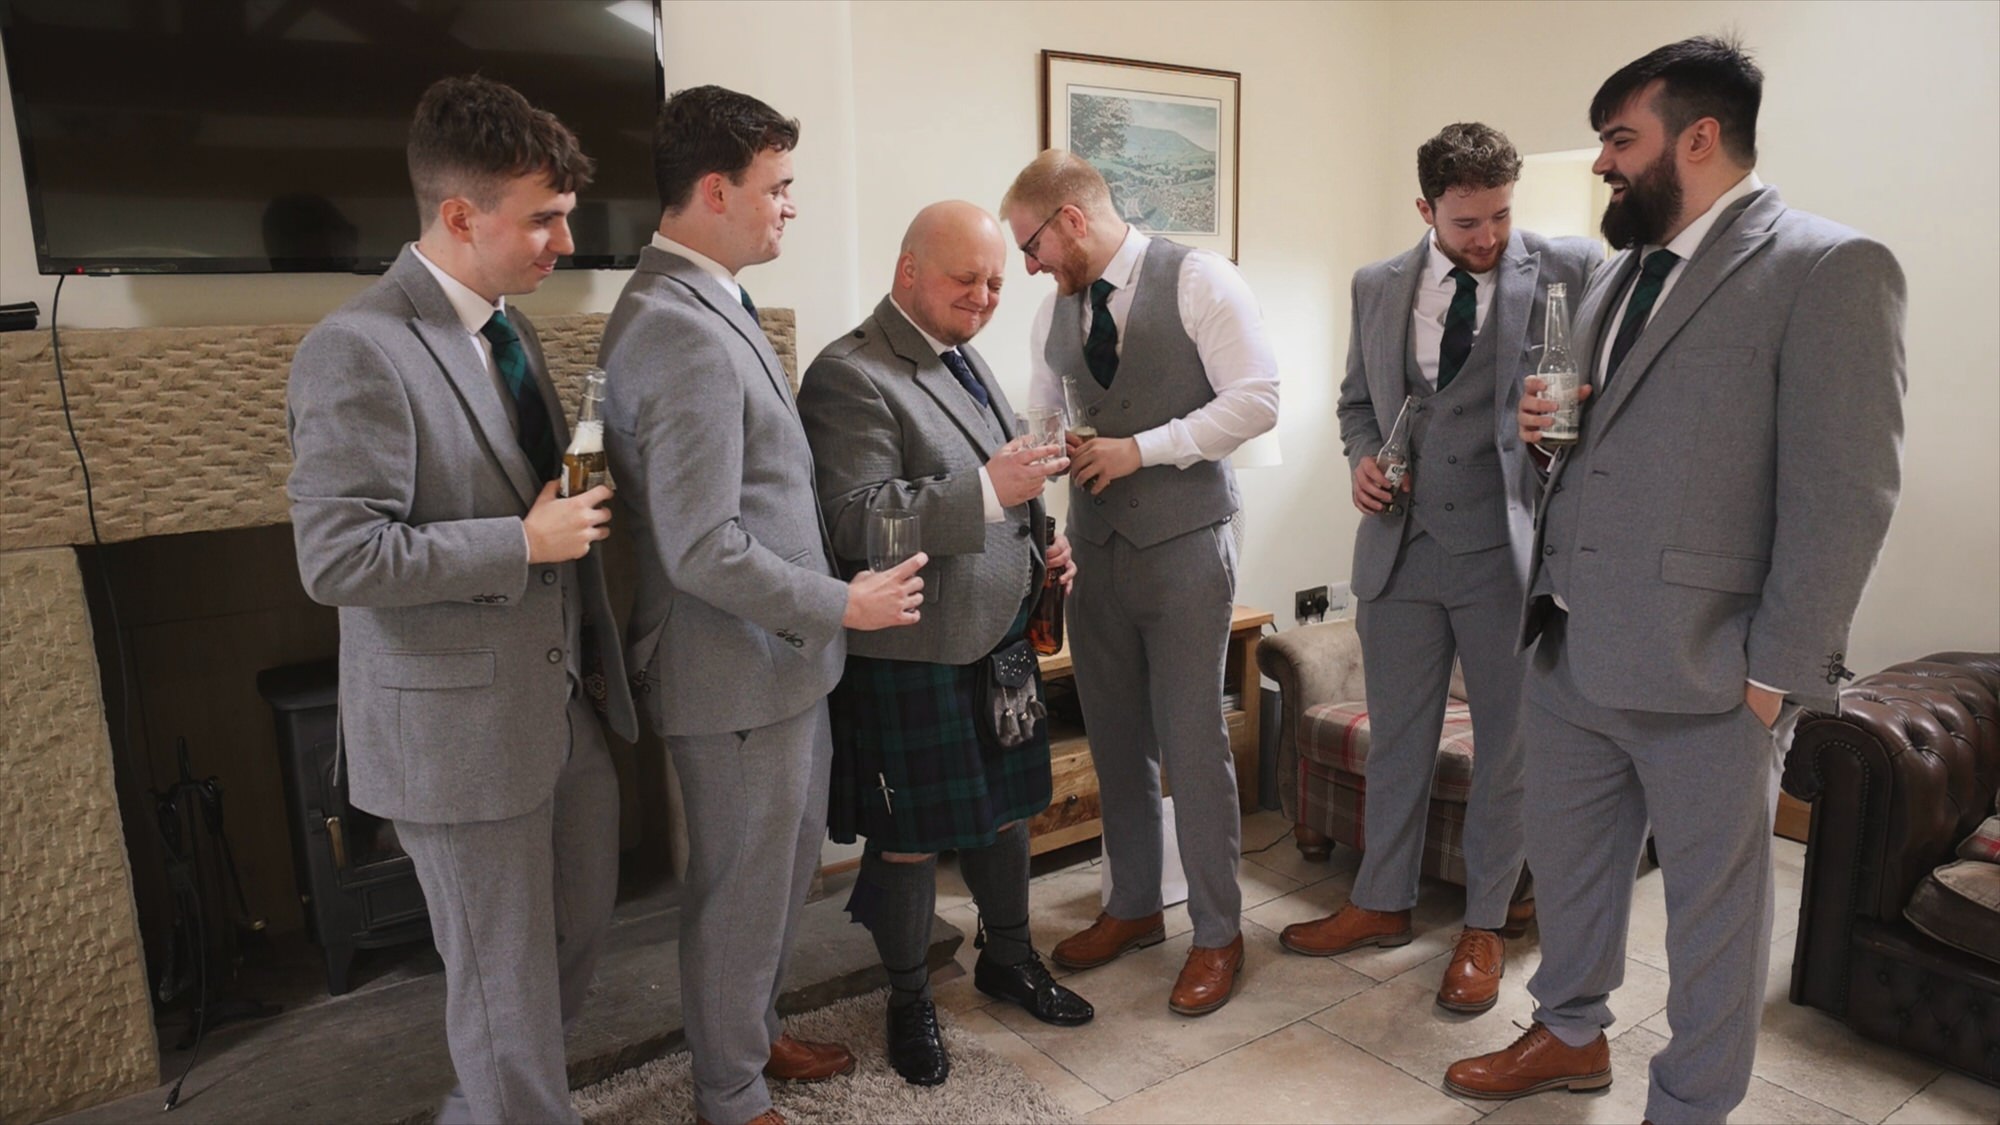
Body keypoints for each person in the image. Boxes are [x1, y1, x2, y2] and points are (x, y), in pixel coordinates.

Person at [1443, 37, 1905, 1124]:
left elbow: (1848, 493)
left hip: (1709, 670)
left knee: (1712, 915)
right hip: (1564, 645)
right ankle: (1566, 1034)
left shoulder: (1827, 266)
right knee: (1569, 871)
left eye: (1618, 139)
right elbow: (1603, 449)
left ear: (1697, 137)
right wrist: (1540, 437)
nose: (1601, 164)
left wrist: (1772, 677)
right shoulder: (1614, 271)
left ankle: (1690, 1104)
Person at [286, 75, 633, 1125]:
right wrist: (520, 542)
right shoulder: (354, 349)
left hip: (558, 704)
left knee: (571, 942)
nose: (563, 244)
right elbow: (337, 559)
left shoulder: (508, 333)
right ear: (458, 215)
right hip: (455, 735)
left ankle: (488, 1104)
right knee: (503, 988)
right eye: (544, 220)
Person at [598, 85, 925, 1125]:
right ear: (713, 189)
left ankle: (751, 1033)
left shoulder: (709, 301)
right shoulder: (677, 328)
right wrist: (841, 603)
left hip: (772, 664)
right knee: (740, 893)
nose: (790, 207)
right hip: (729, 666)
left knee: (777, 882)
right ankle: (729, 1096)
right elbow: (701, 545)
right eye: (776, 188)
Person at [1282, 124, 1601, 1014]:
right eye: (1467, 222)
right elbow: (1355, 401)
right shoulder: (1376, 285)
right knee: (1400, 740)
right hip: (1401, 547)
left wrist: (1573, 412)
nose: (1489, 236)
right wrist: (1360, 460)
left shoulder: (1575, 267)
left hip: (1509, 553)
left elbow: (1615, 387)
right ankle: (1380, 901)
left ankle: (1486, 925)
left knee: (1509, 748)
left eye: (1501, 214)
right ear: (1426, 209)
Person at [797, 201, 1095, 1086]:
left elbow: (1004, 485)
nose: (985, 295)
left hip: (999, 638)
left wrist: (1045, 543)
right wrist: (991, 490)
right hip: (914, 653)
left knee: (1009, 810)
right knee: (907, 839)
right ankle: (907, 995)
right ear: (908, 271)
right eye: (967, 278)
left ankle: (1008, 957)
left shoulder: (964, 358)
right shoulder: (848, 374)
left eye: (998, 279)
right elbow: (854, 526)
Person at [999, 150, 1279, 1016]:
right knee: (1117, 737)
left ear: (1072, 219)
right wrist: (1032, 461)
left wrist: (1141, 449)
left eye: (1031, 243)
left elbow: (1259, 398)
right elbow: (1043, 413)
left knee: (1192, 741)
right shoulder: (1055, 313)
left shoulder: (1201, 279)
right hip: (1094, 551)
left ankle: (1218, 931)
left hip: (1186, 544)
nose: (1029, 264)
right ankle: (1132, 905)